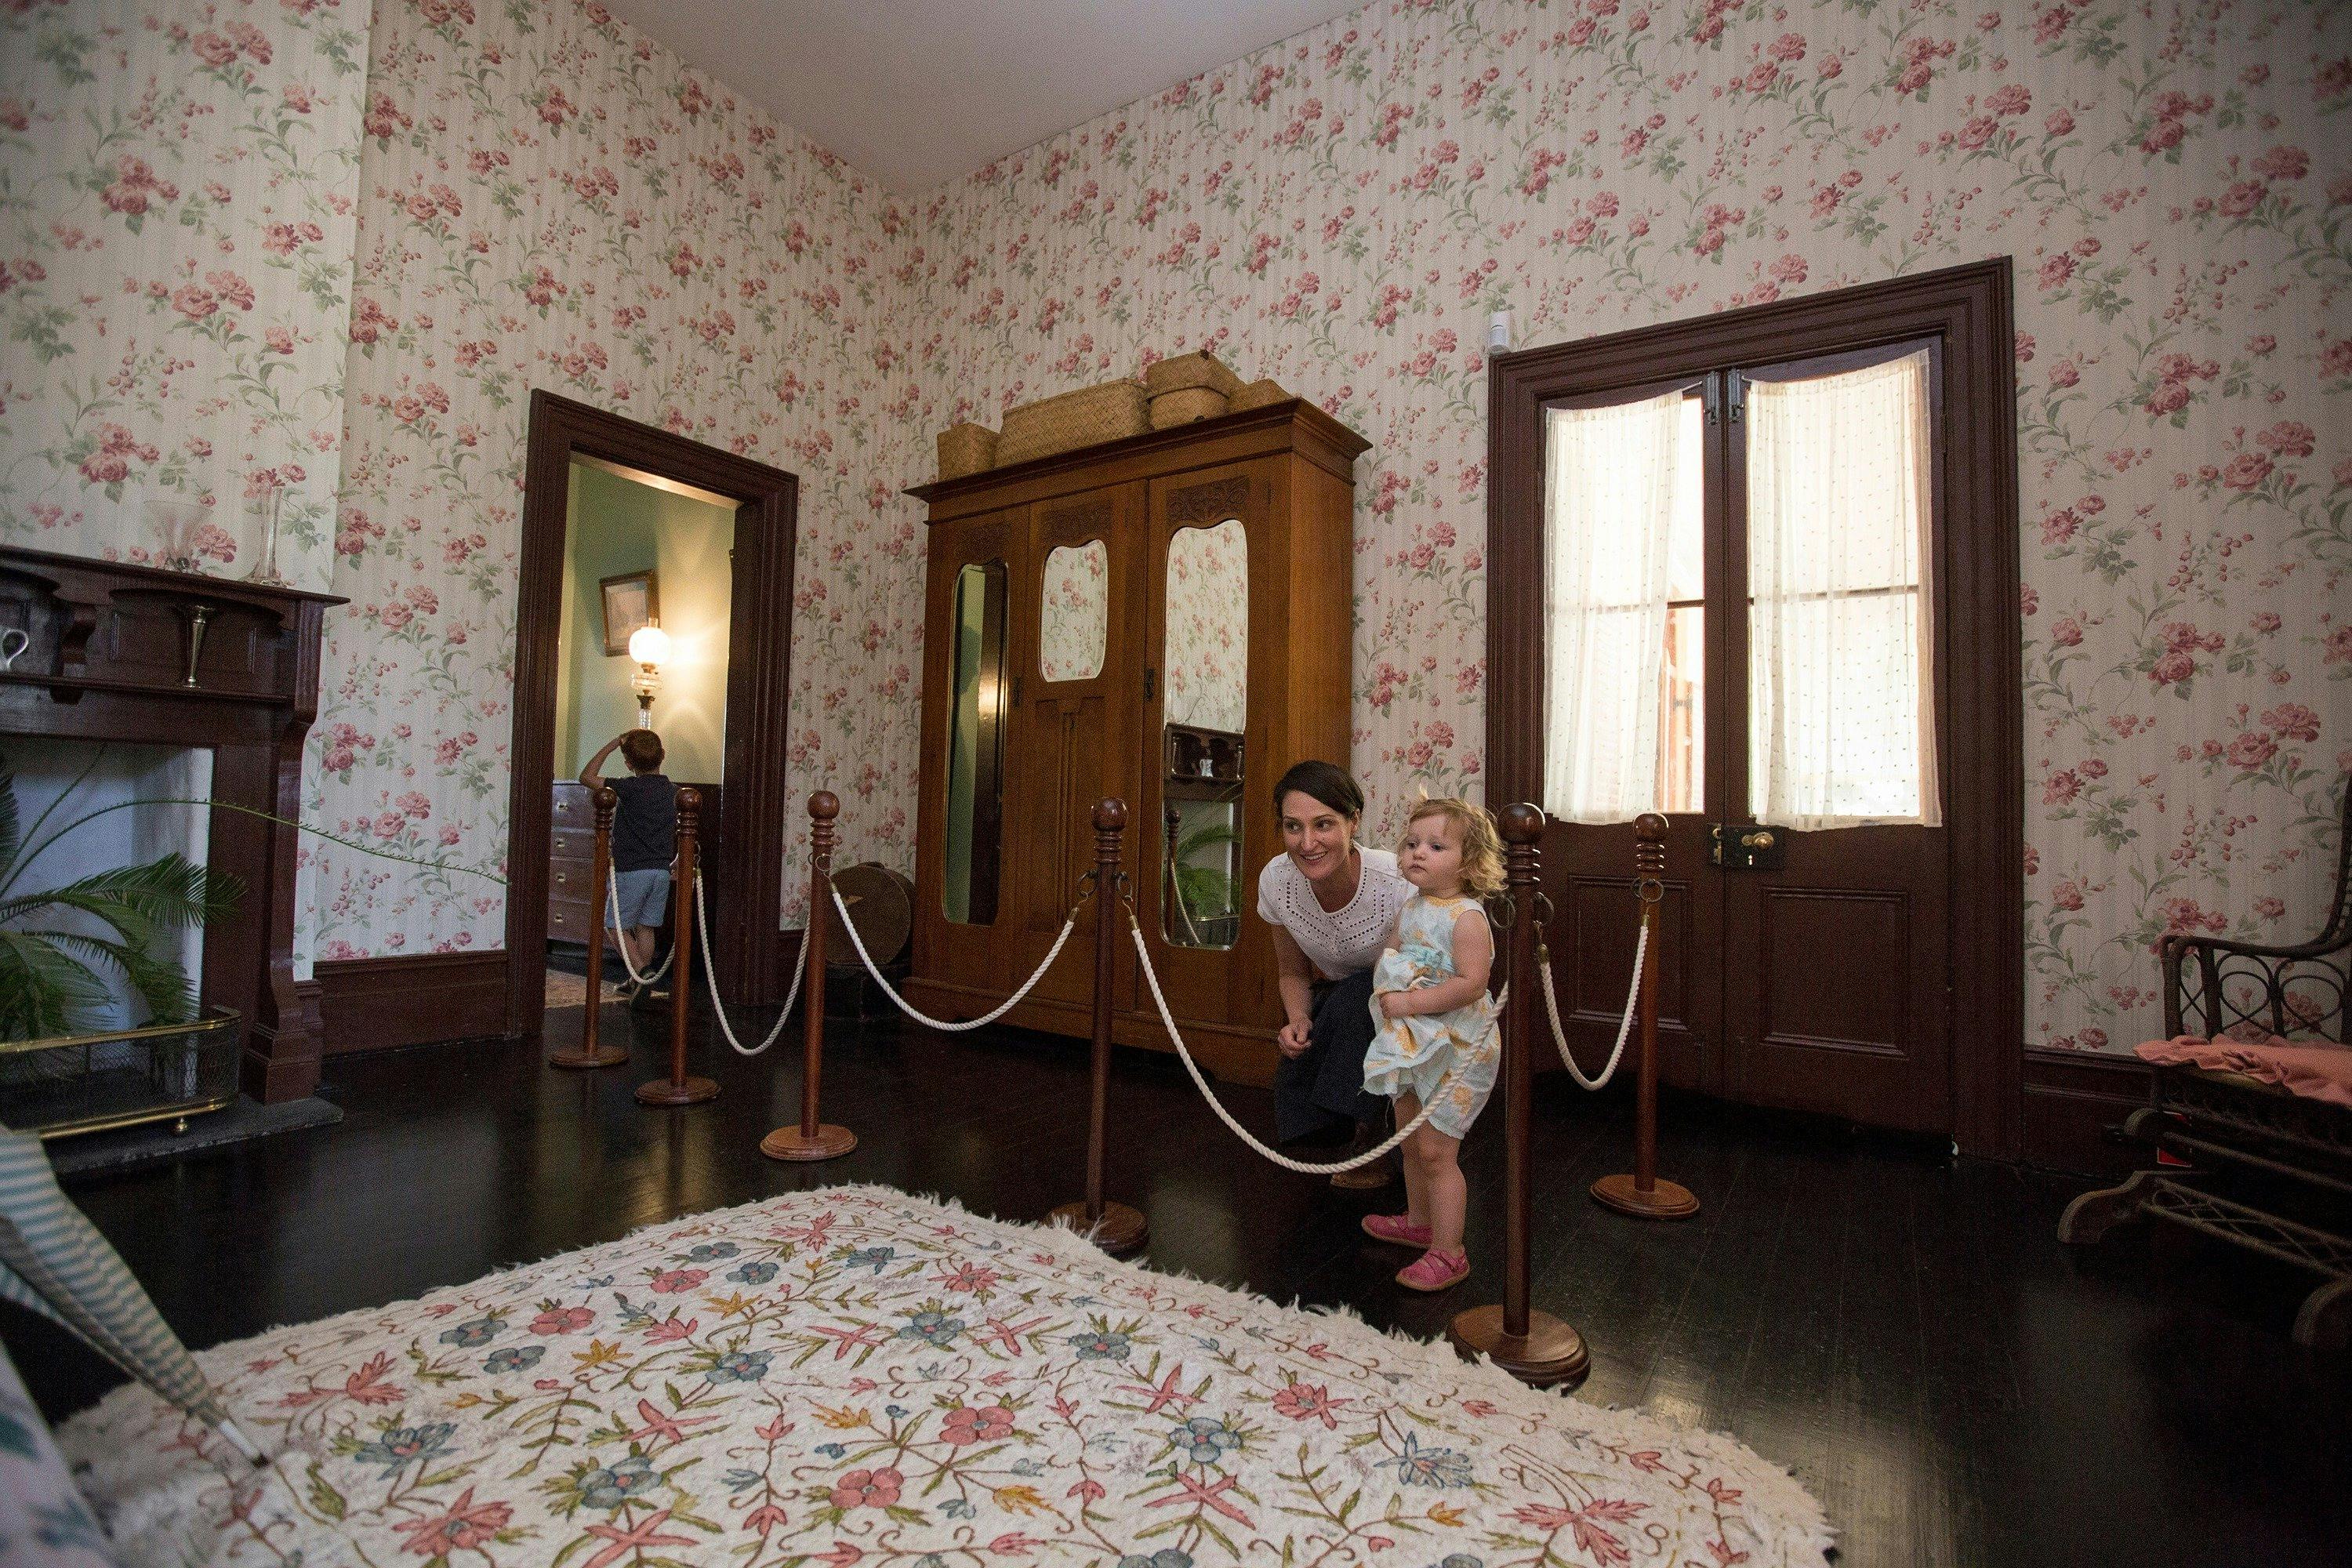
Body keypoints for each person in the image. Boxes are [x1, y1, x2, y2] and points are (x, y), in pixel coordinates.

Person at [1357, 797, 1504, 1292]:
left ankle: (1450, 1251)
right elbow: (1394, 957)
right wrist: (1389, 986)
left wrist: (1409, 1004)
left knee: (1438, 1152)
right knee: (1410, 1138)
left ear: (1469, 862)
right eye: (1411, 843)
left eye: (1435, 845)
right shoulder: (1412, 908)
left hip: (1459, 1049)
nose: (1417, 853)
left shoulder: (1466, 919)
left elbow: (1471, 985)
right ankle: (1420, 1221)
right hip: (1416, 1041)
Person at [1260, 760, 1412, 1188]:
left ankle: (1376, 1142)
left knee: (1356, 999)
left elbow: (1424, 970)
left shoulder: (1397, 880)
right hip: (1342, 995)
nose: (1307, 843)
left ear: (1354, 821)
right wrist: (1297, 1020)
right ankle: (1348, 1129)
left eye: (1323, 825)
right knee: (1302, 1088)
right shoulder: (1276, 881)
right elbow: (1291, 972)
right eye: (1293, 827)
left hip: (1408, 1000)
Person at [580, 729, 677, 1000]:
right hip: (661, 871)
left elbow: (586, 777)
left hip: (631, 870)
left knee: (615, 924)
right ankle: (637, 982)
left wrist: (611, 745)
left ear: (628, 764)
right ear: (663, 756)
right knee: (645, 926)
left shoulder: (628, 787)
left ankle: (642, 972)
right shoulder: (673, 791)